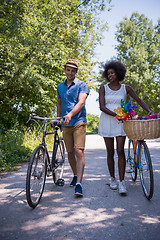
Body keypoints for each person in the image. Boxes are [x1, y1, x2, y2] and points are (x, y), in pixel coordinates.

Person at [98, 60, 153, 195]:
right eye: (108, 73)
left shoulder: (126, 88)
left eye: (113, 72)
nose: (110, 75)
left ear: (119, 73)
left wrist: (149, 112)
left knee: (120, 151)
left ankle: (122, 182)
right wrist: (116, 114)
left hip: (121, 122)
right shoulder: (103, 88)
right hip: (107, 121)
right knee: (110, 152)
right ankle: (113, 179)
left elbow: (139, 100)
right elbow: (102, 107)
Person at [56, 59, 89, 197]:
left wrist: (70, 114)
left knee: (78, 151)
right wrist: (58, 118)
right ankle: (75, 175)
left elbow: (81, 102)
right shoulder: (60, 86)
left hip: (78, 121)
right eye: (68, 70)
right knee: (69, 152)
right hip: (65, 123)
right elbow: (59, 103)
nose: (70, 73)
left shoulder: (82, 85)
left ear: (76, 72)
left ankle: (79, 184)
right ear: (65, 70)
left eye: (73, 70)